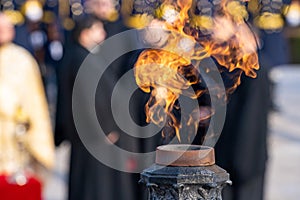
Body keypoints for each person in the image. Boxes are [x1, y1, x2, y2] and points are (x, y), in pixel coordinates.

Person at [0, 12, 55, 197]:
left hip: (15, 149)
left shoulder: (22, 59)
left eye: (7, 27)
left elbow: (36, 105)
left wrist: (40, 147)